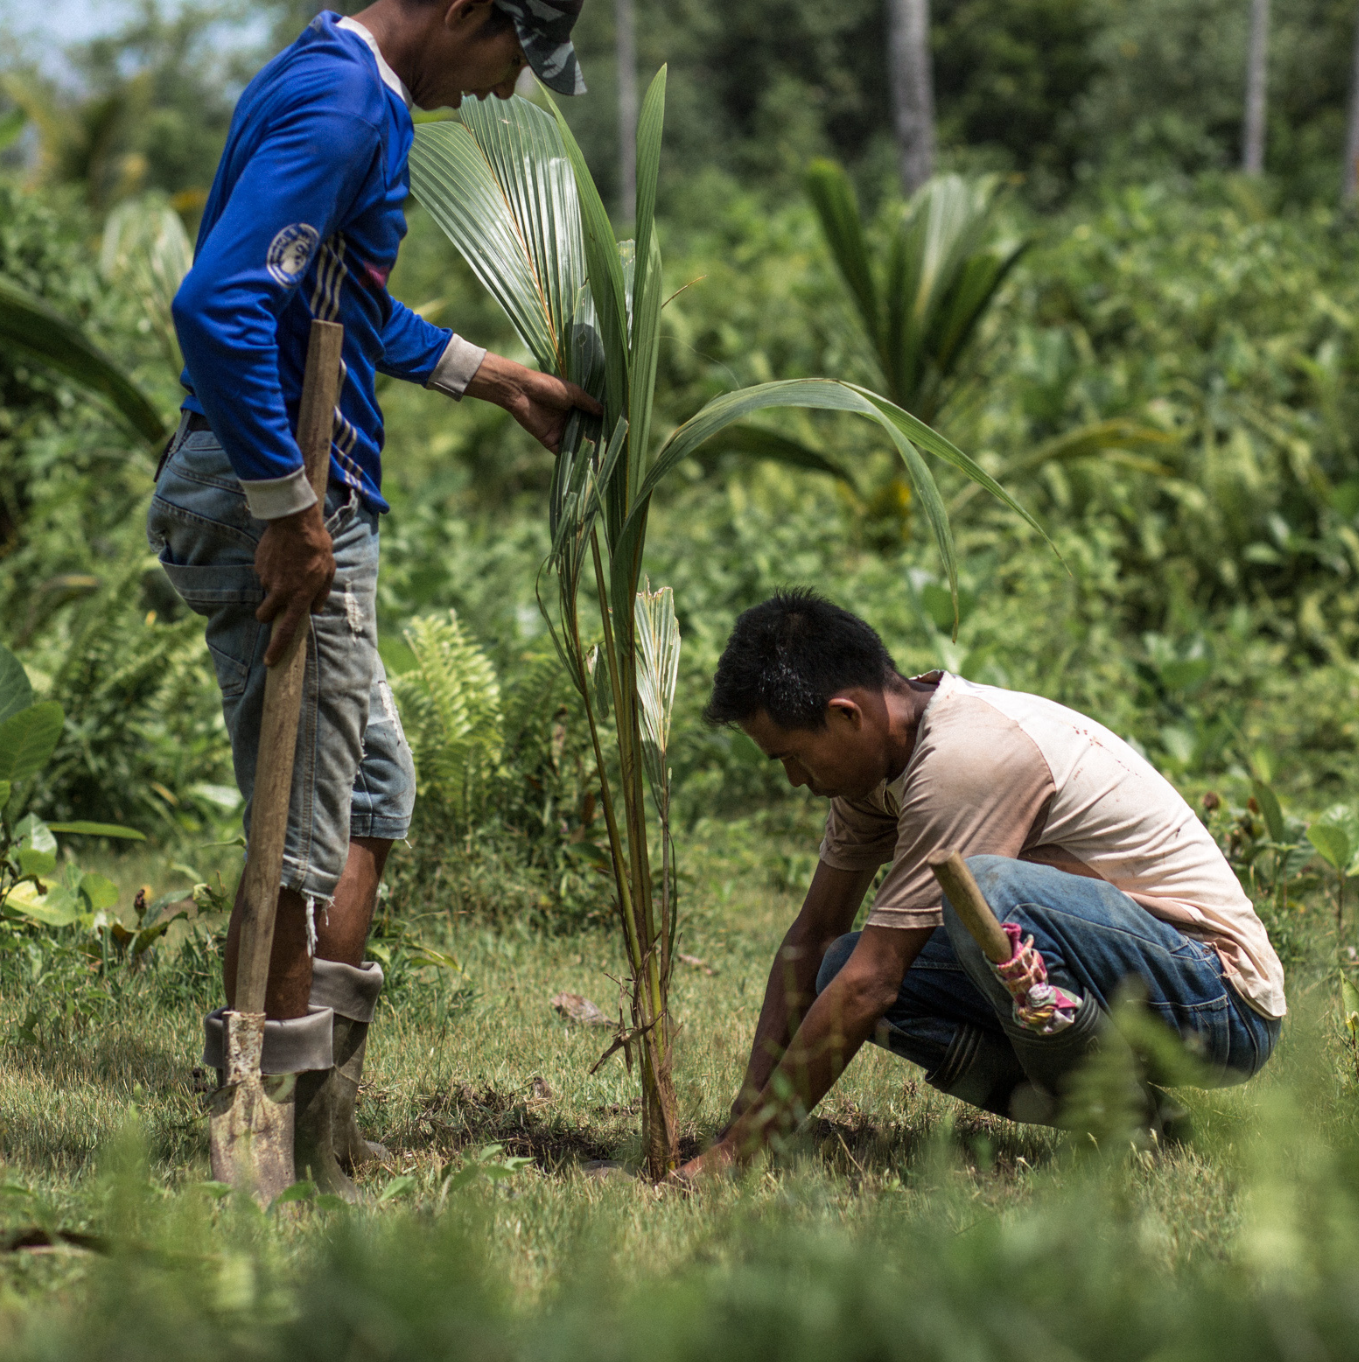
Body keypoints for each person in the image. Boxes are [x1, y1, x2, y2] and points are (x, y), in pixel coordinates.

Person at [149, 0, 597, 1195]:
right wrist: (289, 511)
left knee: (371, 790)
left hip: (305, 484)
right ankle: (262, 1136)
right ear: (464, 11)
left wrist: (490, 376)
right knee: (300, 826)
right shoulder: (344, 101)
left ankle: (321, 1111)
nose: (507, 90)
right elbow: (219, 305)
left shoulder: (354, 87)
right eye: (513, 54)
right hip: (283, 490)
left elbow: (331, 304)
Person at [679, 590, 1285, 1177]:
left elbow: (875, 983)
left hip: (1218, 1001)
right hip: (1134, 983)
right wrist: (746, 1113)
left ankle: (1118, 1117)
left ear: (846, 715)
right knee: (838, 961)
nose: (791, 780)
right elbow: (814, 934)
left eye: (793, 757)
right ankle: (1145, 1120)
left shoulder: (965, 759)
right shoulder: (877, 770)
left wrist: (738, 1155)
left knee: (986, 893)